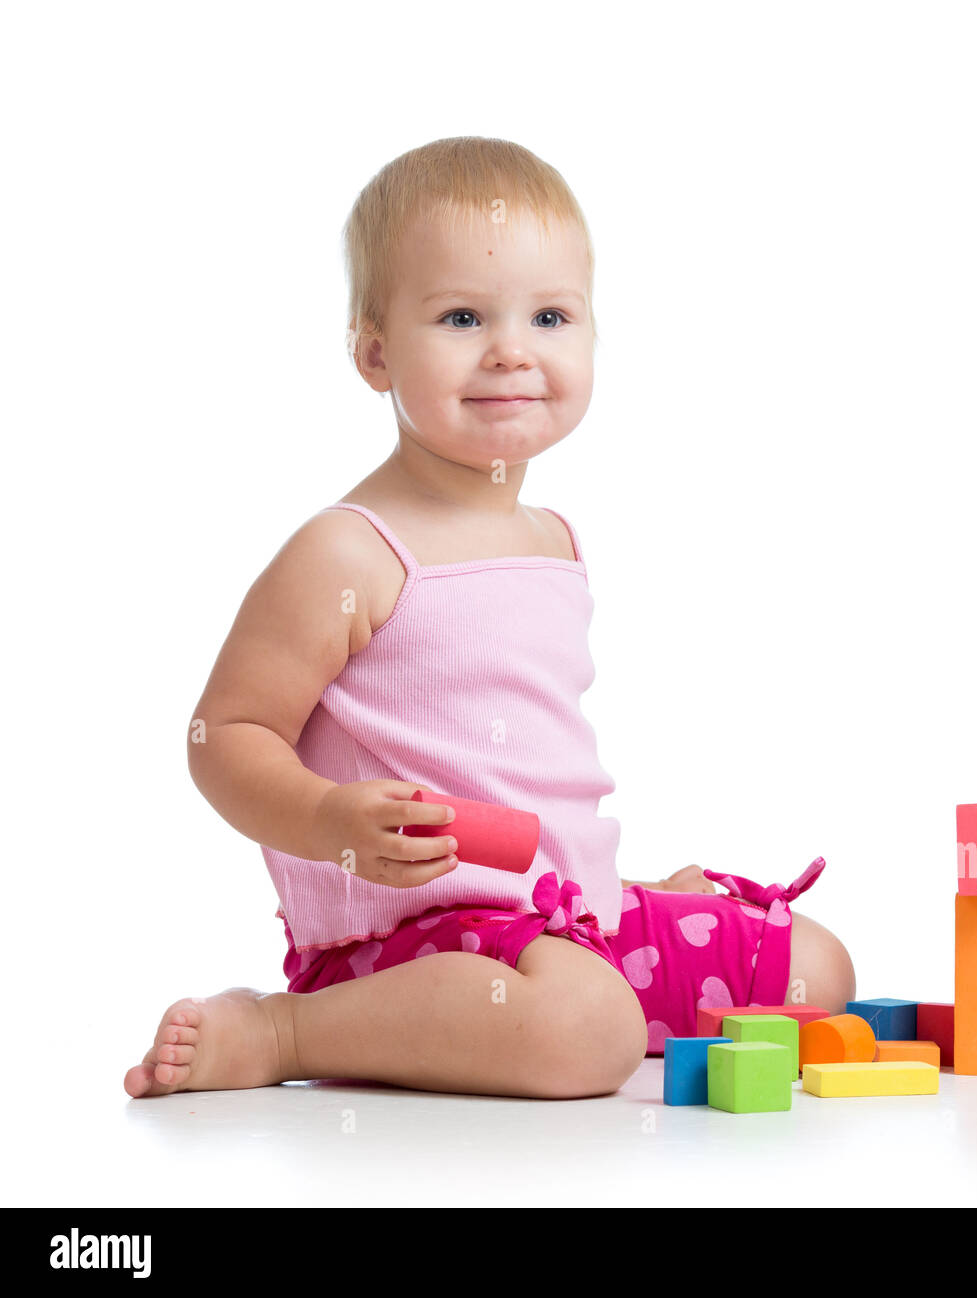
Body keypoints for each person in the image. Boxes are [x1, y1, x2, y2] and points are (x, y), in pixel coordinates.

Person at [123, 136, 855, 1102]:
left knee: (816, 969)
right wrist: (330, 818)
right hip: (412, 940)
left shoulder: (554, 539)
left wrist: (608, 889)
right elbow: (226, 735)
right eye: (462, 316)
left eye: (550, 316)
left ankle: (604, 952)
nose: (513, 349)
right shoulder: (352, 551)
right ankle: (285, 1030)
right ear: (375, 352)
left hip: (565, 918)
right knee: (589, 1030)